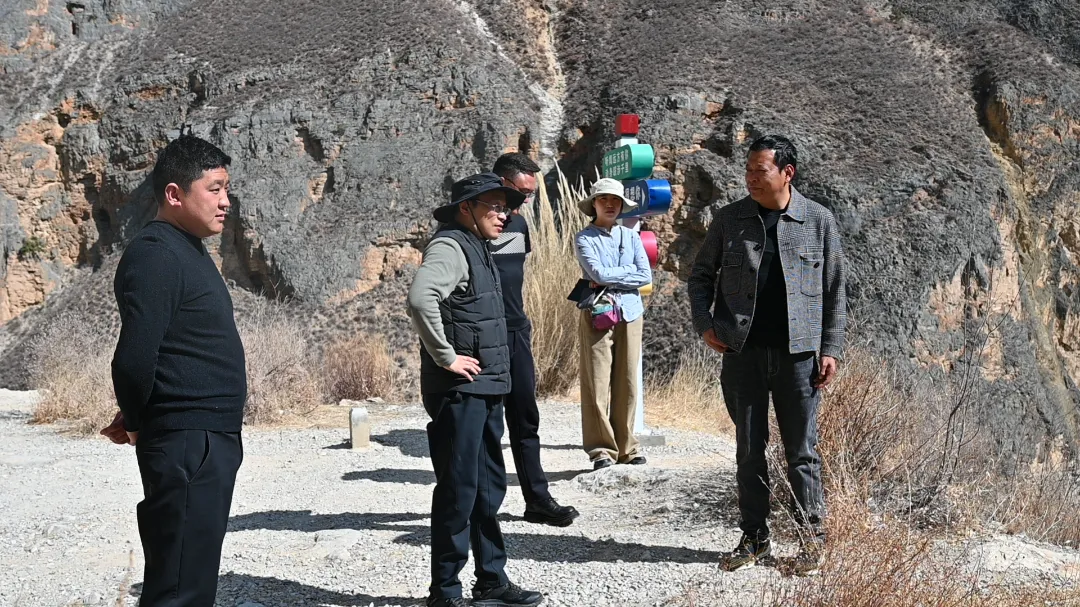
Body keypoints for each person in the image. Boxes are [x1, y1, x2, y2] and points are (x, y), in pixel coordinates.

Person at [687, 135, 847, 574]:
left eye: (760, 171)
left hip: (799, 358)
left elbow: (835, 290)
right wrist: (705, 324)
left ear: (786, 172)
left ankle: (812, 540)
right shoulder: (730, 219)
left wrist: (831, 348)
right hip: (743, 355)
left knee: (802, 453)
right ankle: (754, 539)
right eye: (748, 171)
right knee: (749, 451)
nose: (751, 179)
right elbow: (700, 277)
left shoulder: (818, 220)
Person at [99, 135, 247, 606]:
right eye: (214, 189)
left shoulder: (185, 249)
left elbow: (171, 351)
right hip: (188, 442)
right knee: (180, 589)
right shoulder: (156, 254)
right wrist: (137, 420)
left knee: (189, 580)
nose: (225, 202)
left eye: (227, 189)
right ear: (174, 194)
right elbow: (134, 357)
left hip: (201, 438)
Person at [407, 172, 544, 607]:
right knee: (459, 489)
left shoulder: (479, 245)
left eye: (506, 207)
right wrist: (446, 357)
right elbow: (421, 298)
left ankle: (491, 580)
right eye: (494, 207)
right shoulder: (451, 245)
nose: (504, 215)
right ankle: (445, 593)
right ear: (466, 208)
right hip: (459, 390)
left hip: (484, 387)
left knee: (487, 488)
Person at [490, 153, 579, 527]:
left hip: (516, 332)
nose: (526, 199)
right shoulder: (472, 226)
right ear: (502, 183)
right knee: (488, 425)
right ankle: (485, 507)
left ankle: (537, 500)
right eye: (522, 191)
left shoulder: (519, 226)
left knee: (525, 418)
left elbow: (514, 276)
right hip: (483, 336)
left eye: (531, 193)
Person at [574, 177, 653, 471]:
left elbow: (644, 275)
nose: (610, 204)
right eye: (603, 199)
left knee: (628, 381)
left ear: (621, 205)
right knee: (596, 381)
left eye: (615, 200)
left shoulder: (631, 237)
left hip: (630, 312)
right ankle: (601, 450)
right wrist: (623, 272)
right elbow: (597, 273)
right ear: (594, 204)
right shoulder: (584, 238)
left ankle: (627, 448)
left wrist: (611, 275)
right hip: (598, 312)